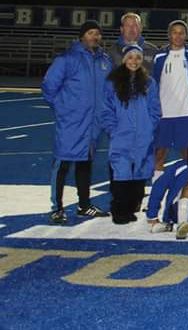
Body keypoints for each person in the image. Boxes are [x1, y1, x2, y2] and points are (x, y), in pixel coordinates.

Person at [42, 20, 113, 224]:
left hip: (93, 123)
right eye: (91, 33)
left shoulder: (105, 61)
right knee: (62, 163)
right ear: (82, 36)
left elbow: (108, 91)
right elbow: (49, 87)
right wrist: (63, 108)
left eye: (97, 34)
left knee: (85, 164)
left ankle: (84, 205)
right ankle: (57, 207)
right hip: (72, 121)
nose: (95, 37)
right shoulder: (67, 59)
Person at [101, 45, 161, 224]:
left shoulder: (149, 82)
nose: (134, 61)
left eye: (138, 58)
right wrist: (113, 129)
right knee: (122, 172)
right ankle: (119, 210)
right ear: (124, 59)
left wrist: (149, 127)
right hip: (122, 136)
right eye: (130, 57)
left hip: (143, 136)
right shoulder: (112, 82)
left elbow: (155, 109)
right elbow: (106, 110)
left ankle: (132, 206)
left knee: (140, 173)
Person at [152, 20, 188, 179]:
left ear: (186, 35)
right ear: (169, 35)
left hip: (185, 112)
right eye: (174, 32)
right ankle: (157, 185)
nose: (178, 35)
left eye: (181, 32)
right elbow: (154, 82)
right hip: (164, 113)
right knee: (160, 152)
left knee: (187, 152)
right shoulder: (159, 57)